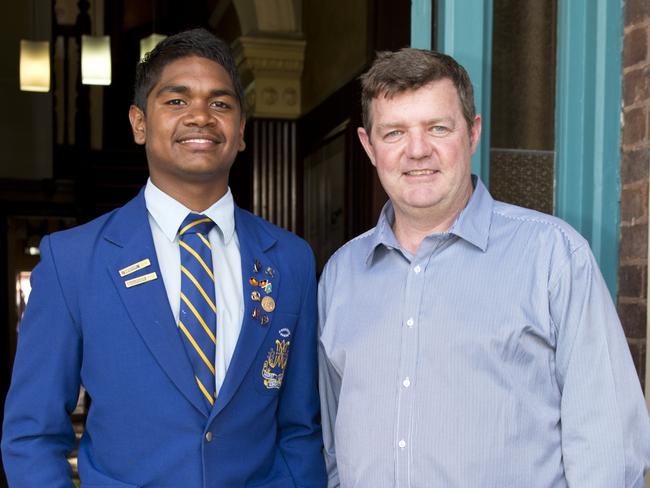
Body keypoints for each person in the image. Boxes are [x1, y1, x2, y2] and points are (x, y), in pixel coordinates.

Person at [2, 28, 326, 487]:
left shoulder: (290, 259)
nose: (200, 116)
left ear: (241, 131)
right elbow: (32, 434)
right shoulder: (71, 260)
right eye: (176, 101)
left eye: (220, 103)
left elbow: (299, 428)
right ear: (139, 123)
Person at [318, 48, 650, 487]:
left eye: (438, 128)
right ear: (369, 146)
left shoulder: (554, 257)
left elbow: (608, 449)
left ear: (472, 133)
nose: (417, 151)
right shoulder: (342, 274)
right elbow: (334, 447)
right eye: (395, 132)